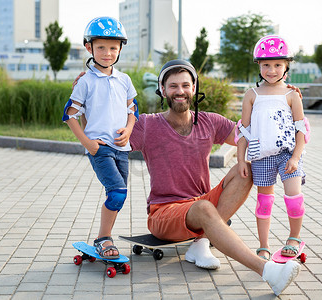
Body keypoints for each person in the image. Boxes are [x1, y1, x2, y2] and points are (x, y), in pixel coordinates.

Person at [129, 59, 301, 296]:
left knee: (246, 169)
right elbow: (107, 141)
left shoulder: (209, 121)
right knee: (203, 209)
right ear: (162, 90)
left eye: (186, 85)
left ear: (194, 88)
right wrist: (83, 108)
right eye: (173, 86)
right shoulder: (147, 124)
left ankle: (200, 242)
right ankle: (268, 271)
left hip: (201, 204)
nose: (180, 91)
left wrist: (281, 98)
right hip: (164, 212)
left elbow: (252, 132)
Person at [62, 16, 137, 259]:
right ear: (89, 48)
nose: (107, 53)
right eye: (101, 47)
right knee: (117, 193)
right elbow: (70, 115)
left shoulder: (124, 80)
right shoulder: (85, 81)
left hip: (121, 148)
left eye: (113, 47)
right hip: (100, 148)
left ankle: (104, 237)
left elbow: (132, 110)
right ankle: (104, 239)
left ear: (120, 49)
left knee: (118, 193)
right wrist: (88, 144)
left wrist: (129, 130)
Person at [236, 35, 310, 262]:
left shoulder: (291, 94)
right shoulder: (252, 95)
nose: (272, 70)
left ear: (286, 66)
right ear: (258, 65)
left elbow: (301, 130)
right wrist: (240, 160)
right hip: (261, 156)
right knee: (264, 201)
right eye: (266, 64)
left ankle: (294, 238)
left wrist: (296, 157)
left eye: (278, 64)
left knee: (293, 196)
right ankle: (264, 245)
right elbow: (243, 131)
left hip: (288, 155)